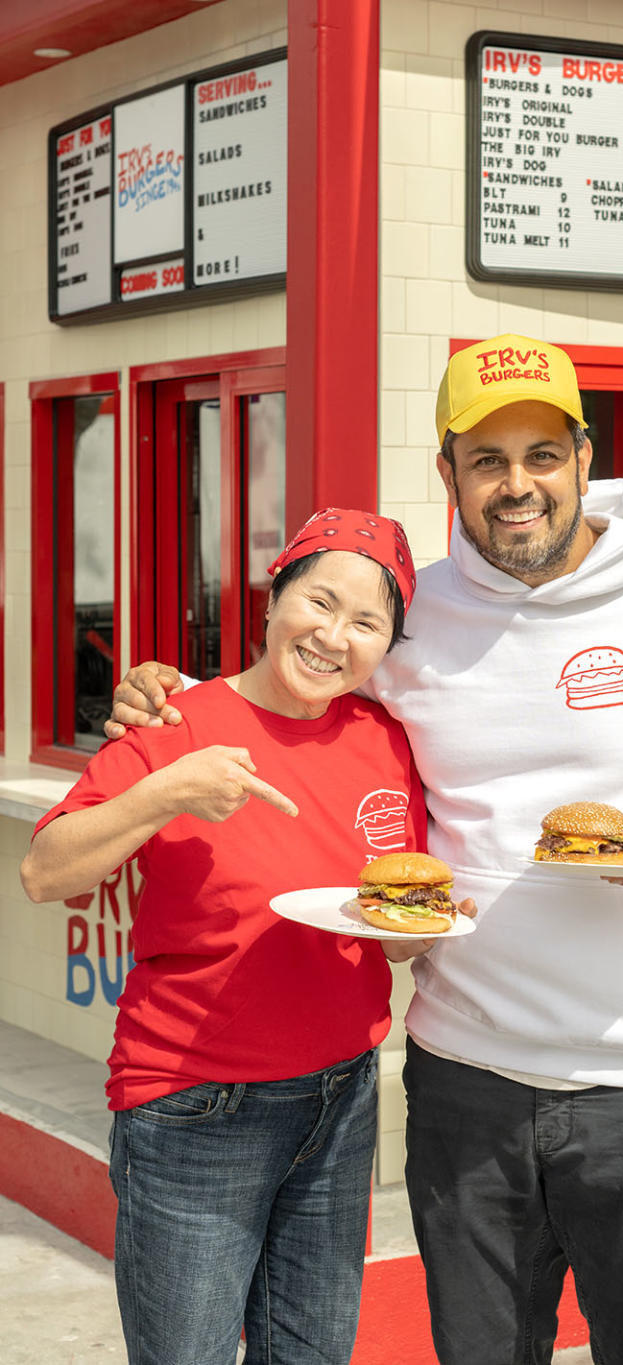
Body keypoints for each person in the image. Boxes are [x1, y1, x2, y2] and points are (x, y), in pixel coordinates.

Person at [107, 335, 623, 1365]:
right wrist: (169, 693)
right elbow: (299, 685)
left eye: (542, 454)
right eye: (487, 460)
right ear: (448, 472)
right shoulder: (415, 622)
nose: (518, 486)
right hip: (463, 1077)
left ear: (586, 458)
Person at [22, 509, 440, 1365]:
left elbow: (395, 937)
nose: (333, 636)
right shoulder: (176, 721)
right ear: (271, 599)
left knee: (313, 1352)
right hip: (194, 1104)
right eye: (318, 602)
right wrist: (164, 791)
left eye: (366, 622)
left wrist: (418, 928)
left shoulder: (388, 743)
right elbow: (44, 871)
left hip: (340, 1099)